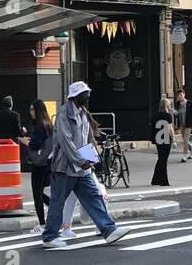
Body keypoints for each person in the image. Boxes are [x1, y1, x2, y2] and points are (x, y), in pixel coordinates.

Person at [40, 82, 130, 248]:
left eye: (88, 92)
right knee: (58, 202)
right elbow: (66, 142)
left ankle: (108, 230)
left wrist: (93, 160)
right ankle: (50, 237)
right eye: (84, 93)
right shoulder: (63, 114)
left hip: (81, 168)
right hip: (65, 167)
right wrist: (82, 161)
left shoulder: (83, 113)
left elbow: (87, 139)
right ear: (75, 96)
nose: (88, 96)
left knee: (94, 197)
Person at [20, 100, 54, 227]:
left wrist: (26, 141)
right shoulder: (49, 124)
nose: (30, 113)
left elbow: (35, 144)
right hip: (48, 162)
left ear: (38, 111)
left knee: (37, 194)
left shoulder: (39, 126)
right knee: (40, 192)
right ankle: (55, 210)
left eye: (32, 110)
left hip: (39, 164)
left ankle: (42, 224)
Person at [152, 97, 175, 187]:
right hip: (166, 139)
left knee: (160, 158)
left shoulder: (155, 116)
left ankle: (155, 179)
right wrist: (173, 139)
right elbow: (170, 129)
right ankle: (163, 181)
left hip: (158, 139)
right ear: (166, 106)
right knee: (164, 160)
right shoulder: (168, 116)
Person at [173, 90, 191, 162]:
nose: (180, 96)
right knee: (185, 140)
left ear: (184, 94)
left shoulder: (189, 103)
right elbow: (177, 114)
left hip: (188, 124)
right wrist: (175, 112)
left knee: (186, 140)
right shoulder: (177, 104)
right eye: (178, 95)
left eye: (181, 94)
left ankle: (185, 155)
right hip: (181, 124)